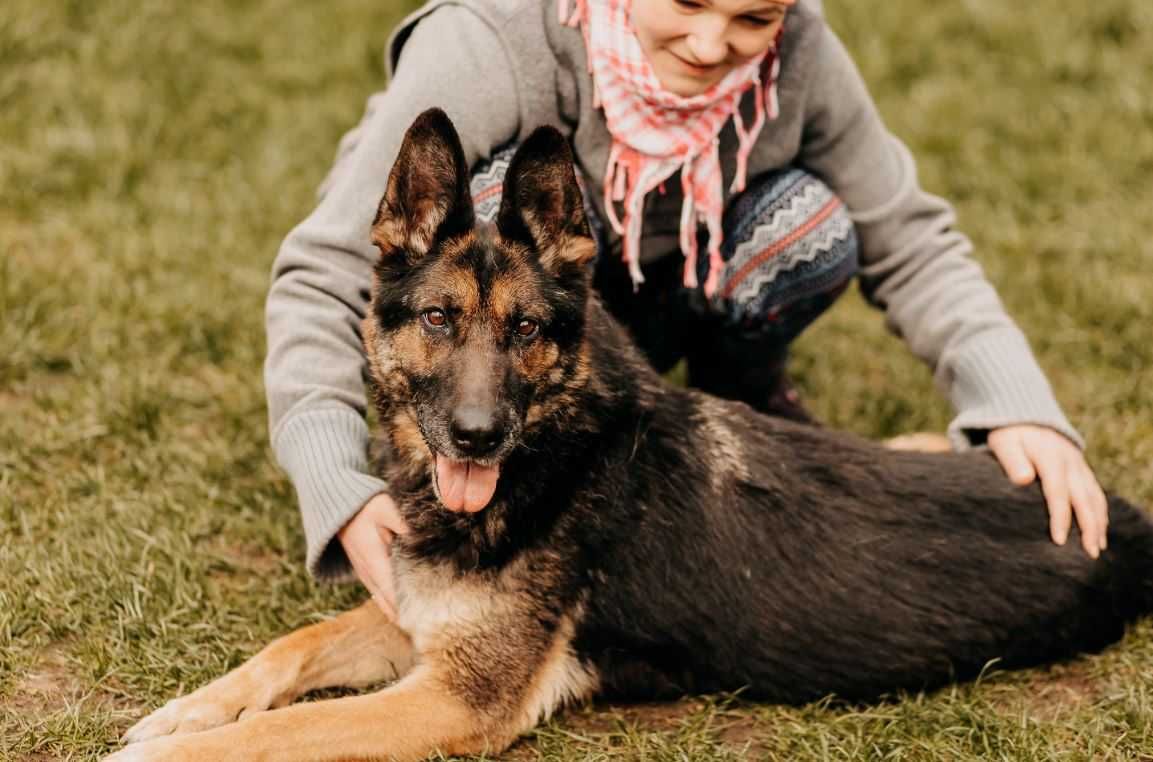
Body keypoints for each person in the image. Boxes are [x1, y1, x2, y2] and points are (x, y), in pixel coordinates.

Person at [263, 0, 1108, 616]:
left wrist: (1016, 405)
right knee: (486, 203)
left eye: (752, 18)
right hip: (520, 319)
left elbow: (910, 238)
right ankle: (481, 432)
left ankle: (736, 404)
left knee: (806, 225)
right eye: (689, 3)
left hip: (632, 317)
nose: (712, 45)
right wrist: (331, 473)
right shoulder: (487, 43)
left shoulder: (802, 51)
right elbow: (325, 264)